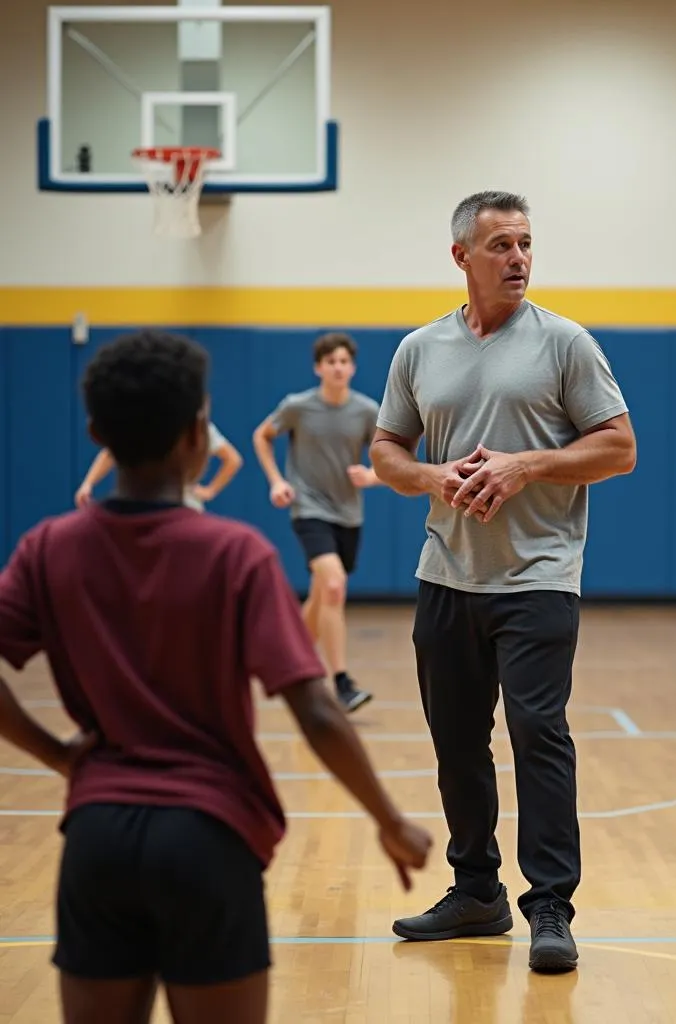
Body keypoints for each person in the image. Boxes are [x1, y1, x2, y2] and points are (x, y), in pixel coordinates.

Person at [0, 330, 431, 1024]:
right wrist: (389, 819)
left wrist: (57, 756)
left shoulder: (48, 549)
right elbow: (316, 710)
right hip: (207, 838)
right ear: (198, 434)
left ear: (95, 432)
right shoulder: (235, 555)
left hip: (96, 839)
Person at [369, 190, 636, 974]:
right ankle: (475, 892)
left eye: (525, 244)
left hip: (541, 576)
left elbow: (620, 449)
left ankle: (550, 904)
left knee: (537, 733)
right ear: (462, 257)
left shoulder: (566, 344)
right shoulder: (420, 350)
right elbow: (386, 450)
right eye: (501, 246)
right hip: (446, 574)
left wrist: (529, 465)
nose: (518, 258)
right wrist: (427, 475)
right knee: (457, 741)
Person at [253, 332, 380, 713]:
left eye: (344, 361)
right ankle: (341, 683)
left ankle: (289, 665)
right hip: (309, 507)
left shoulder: (367, 411)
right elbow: (262, 435)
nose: (338, 367)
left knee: (322, 593)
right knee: (335, 586)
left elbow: (391, 456)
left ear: (352, 368)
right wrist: (277, 480)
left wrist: (372, 476)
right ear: (318, 367)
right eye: (331, 362)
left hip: (349, 513)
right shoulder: (298, 406)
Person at [75, 420, 242, 512]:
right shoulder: (138, 422)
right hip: (139, 507)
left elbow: (233, 459)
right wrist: (88, 483)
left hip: (182, 505)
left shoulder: (194, 426)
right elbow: (110, 453)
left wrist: (210, 490)